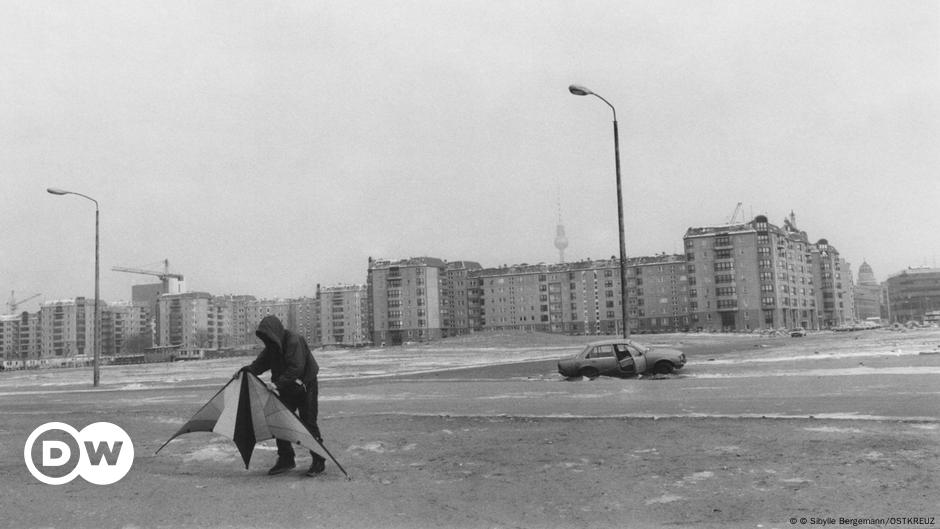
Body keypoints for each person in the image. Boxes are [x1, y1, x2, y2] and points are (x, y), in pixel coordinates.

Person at [237, 315, 326, 476]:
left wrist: (277, 384)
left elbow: (296, 368)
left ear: (275, 331)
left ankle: (319, 460)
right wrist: (245, 372)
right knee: (280, 420)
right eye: (265, 338)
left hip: (306, 385)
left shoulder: (294, 340)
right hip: (286, 387)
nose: (267, 340)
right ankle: (286, 459)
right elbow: (259, 365)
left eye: (268, 336)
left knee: (308, 422)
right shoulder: (271, 347)